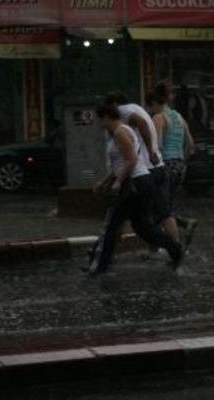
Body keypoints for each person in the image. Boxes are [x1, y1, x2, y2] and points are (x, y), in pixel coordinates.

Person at [85, 104, 183, 276]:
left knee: (112, 226)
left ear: (107, 117)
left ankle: (98, 269)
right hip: (140, 183)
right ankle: (175, 249)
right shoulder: (122, 131)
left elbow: (131, 160)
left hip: (134, 183)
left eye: (101, 120)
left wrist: (118, 182)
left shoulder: (120, 133)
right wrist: (105, 182)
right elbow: (121, 164)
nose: (101, 124)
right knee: (143, 228)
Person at [103, 92, 183, 252]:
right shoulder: (136, 108)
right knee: (157, 212)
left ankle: (175, 248)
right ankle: (173, 247)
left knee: (127, 216)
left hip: (145, 170)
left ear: (114, 104)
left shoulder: (123, 111)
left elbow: (140, 123)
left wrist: (151, 150)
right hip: (155, 167)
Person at [146, 84, 198, 247]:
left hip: (165, 165)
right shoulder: (179, 117)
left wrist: (151, 163)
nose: (149, 110)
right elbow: (191, 146)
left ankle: (171, 243)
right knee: (164, 205)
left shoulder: (159, 117)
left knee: (159, 207)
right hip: (179, 166)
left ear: (155, 103)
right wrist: (181, 161)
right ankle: (164, 244)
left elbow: (158, 144)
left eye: (150, 106)